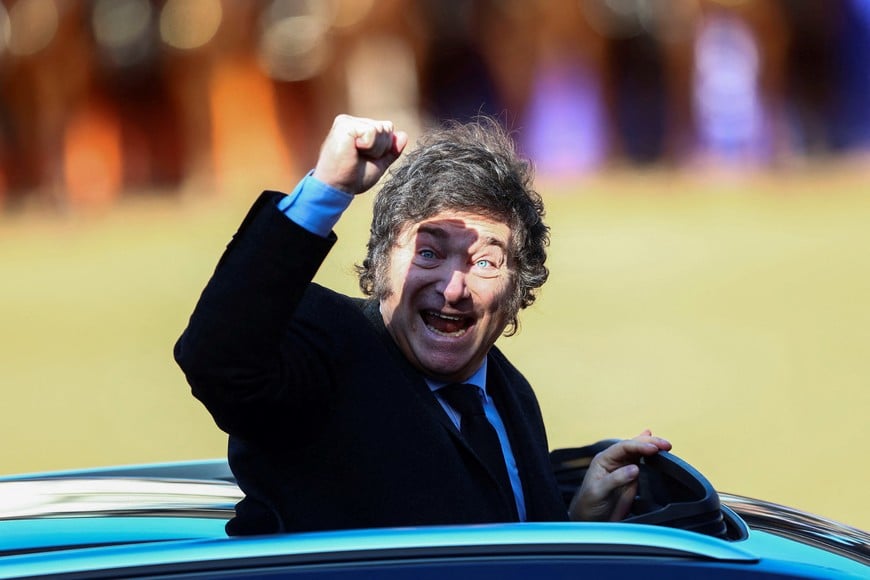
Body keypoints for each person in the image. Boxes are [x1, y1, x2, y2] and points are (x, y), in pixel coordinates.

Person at [175, 114, 671, 535]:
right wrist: (327, 190)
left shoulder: (509, 394)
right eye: (428, 253)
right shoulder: (327, 349)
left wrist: (577, 522)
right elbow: (217, 360)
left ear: (518, 289)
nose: (453, 287)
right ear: (378, 262)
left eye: (484, 262)